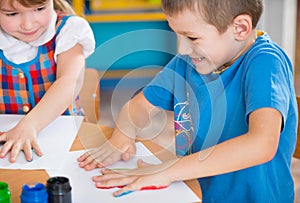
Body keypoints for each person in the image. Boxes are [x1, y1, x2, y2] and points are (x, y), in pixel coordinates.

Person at [77, 0, 297, 202]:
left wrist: (167, 170)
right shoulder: (186, 62)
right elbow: (138, 106)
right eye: (178, 35)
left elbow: (261, 145)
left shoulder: (266, 63)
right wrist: (122, 137)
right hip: (195, 192)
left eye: (192, 38)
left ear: (239, 28)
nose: (181, 49)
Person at [0, 0, 95, 163]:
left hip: (66, 141)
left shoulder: (68, 29)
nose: (28, 25)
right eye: (12, 14)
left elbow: (69, 82)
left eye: (39, 9)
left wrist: (30, 125)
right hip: (8, 147)